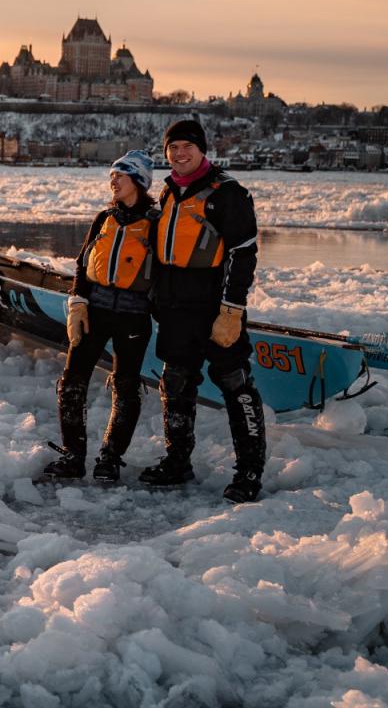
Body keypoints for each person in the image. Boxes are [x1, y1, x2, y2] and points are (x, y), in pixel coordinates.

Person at [142, 119, 266, 502]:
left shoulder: (227, 193)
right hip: (176, 309)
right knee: (176, 382)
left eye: (187, 147)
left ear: (202, 150)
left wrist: (231, 310)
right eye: (173, 148)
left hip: (216, 309)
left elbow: (243, 254)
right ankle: (177, 461)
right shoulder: (166, 194)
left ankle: (248, 473)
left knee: (235, 383)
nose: (180, 154)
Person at [44, 150, 159, 483]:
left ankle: (110, 458)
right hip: (93, 312)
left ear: (138, 181)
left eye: (120, 176)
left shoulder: (155, 223)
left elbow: (166, 274)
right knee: (71, 382)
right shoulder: (104, 218)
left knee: (126, 387)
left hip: (133, 318)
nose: (113, 181)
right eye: (111, 175)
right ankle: (72, 455)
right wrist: (78, 302)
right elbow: (82, 263)